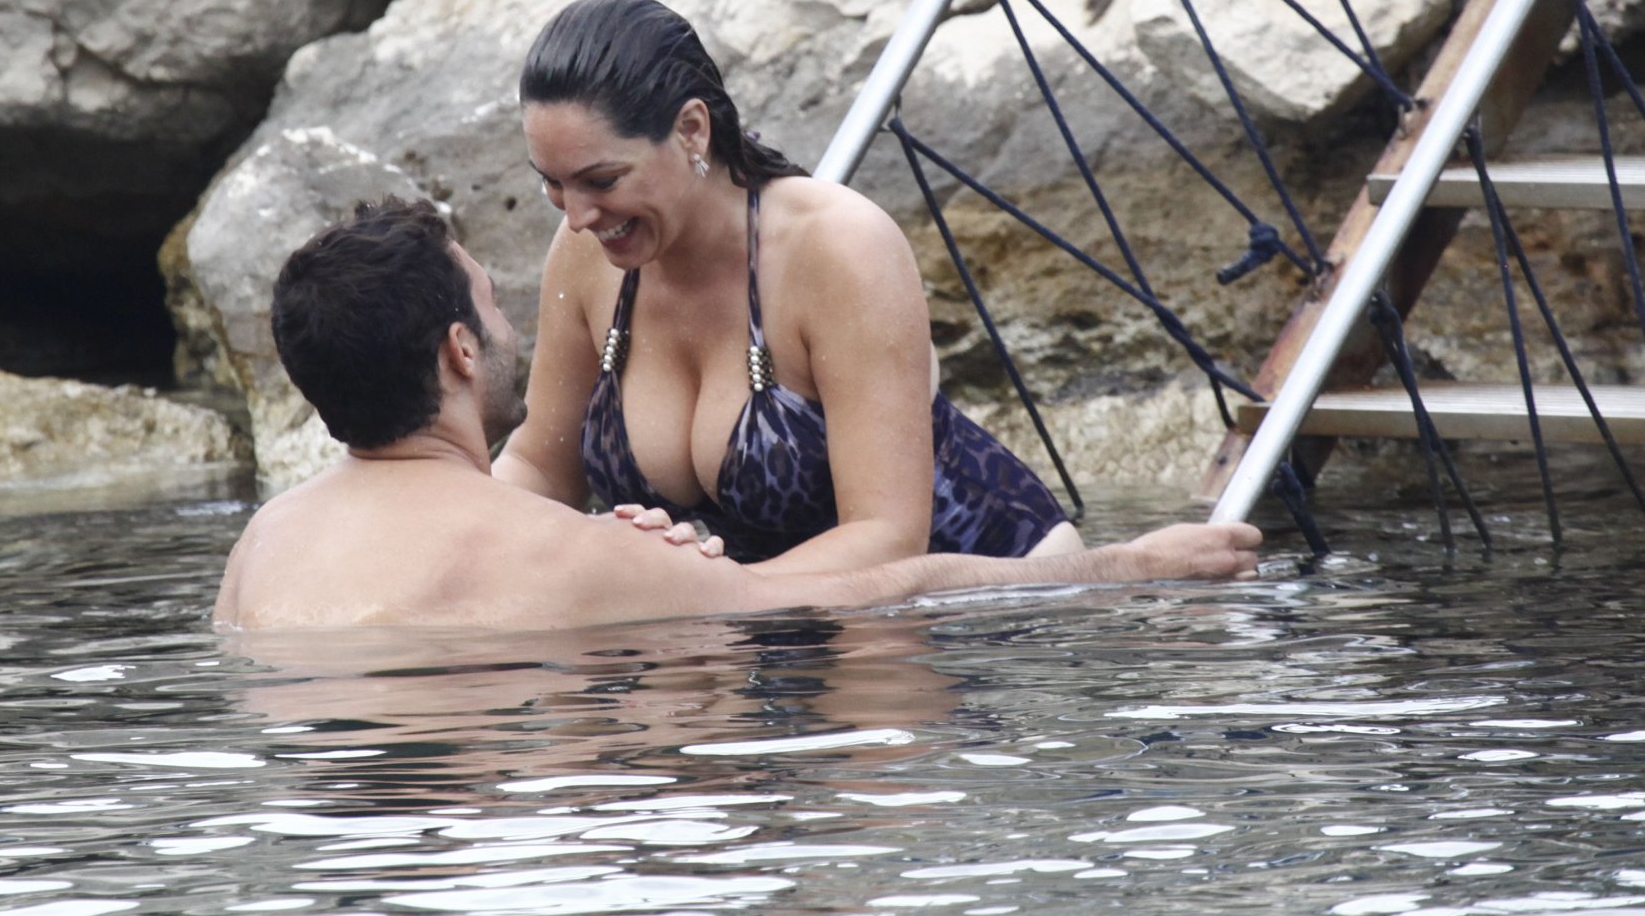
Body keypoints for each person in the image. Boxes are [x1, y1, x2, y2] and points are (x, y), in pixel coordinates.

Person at [213, 200, 1261, 631]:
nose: (510, 323)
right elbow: (873, 585)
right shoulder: (573, 553)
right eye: (491, 304)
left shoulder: (263, 548)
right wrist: (1128, 566)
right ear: (458, 350)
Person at [492, 0, 1080, 570]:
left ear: (691, 130)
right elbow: (541, 467)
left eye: (602, 180)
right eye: (553, 183)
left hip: (997, 605)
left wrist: (699, 597)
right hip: (770, 613)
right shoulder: (585, 253)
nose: (577, 216)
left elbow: (886, 538)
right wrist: (458, 533)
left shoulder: (840, 247)